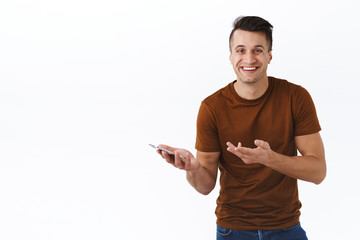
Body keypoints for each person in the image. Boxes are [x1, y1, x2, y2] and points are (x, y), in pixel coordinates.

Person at [156, 16, 326, 240]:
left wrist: (269, 158)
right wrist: (192, 167)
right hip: (233, 229)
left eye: (257, 50)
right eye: (240, 50)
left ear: (269, 56)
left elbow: (318, 172)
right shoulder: (212, 107)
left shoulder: (295, 97)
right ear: (231, 57)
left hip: (286, 227)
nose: (249, 58)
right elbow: (205, 185)